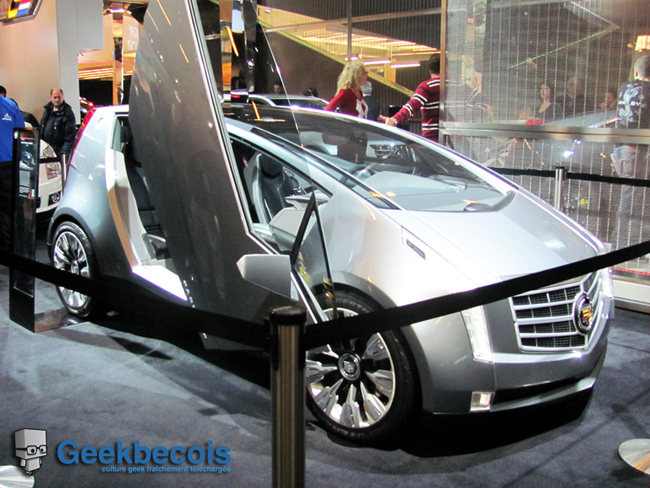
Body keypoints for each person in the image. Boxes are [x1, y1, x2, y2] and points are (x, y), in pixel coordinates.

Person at [610, 55, 650, 248]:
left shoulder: (624, 88)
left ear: (636, 72)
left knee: (630, 196)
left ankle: (624, 241)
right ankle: (627, 243)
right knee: (637, 199)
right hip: (641, 151)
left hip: (624, 150)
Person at [381, 54, 440, 142]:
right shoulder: (454, 87)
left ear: (430, 70)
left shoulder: (427, 87)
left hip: (432, 141)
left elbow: (412, 106)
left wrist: (394, 120)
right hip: (453, 140)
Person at [0, 96, 25, 250]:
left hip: (8, 166)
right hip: (9, 166)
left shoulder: (10, 106)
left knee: (8, 210)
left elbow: (22, 134)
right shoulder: (10, 105)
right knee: (8, 211)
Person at [40, 88, 76, 159]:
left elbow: (70, 136)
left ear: (62, 97)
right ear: (51, 97)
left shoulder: (68, 112)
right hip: (47, 151)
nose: (57, 100)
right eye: (55, 97)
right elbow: (42, 128)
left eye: (59, 97)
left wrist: (64, 153)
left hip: (60, 151)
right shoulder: (47, 111)